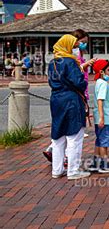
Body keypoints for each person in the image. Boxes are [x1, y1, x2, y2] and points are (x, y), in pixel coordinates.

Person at [43, 29, 95, 161]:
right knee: (74, 135)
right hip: (71, 98)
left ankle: (57, 168)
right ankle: (72, 169)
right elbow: (78, 81)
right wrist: (83, 83)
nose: (77, 47)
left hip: (56, 98)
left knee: (58, 133)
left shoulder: (52, 62)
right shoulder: (70, 61)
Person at [89, 59, 109, 173]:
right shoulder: (103, 84)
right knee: (105, 141)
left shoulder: (98, 83)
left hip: (100, 117)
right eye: (108, 69)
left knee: (99, 140)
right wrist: (102, 118)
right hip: (105, 118)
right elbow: (100, 100)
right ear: (102, 72)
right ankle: (104, 164)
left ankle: (96, 162)